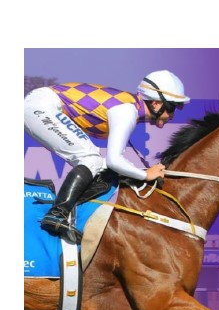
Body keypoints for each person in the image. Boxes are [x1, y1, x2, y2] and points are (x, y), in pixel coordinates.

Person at [24, 70, 191, 243]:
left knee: (101, 167)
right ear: (156, 104)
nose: (172, 115)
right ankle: (57, 215)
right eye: (172, 107)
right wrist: (145, 175)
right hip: (41, 106)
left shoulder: (130, 108)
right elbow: (115, 160)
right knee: (91, 160)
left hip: (42, 104)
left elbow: (112, 163)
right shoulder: (127, 111)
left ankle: (70, 212)